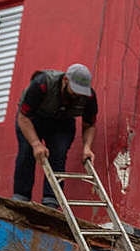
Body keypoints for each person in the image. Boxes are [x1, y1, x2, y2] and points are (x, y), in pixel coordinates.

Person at [13, 64, 97, 207]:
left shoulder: (89, 96)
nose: (78, 95)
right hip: (33, 119)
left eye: (81, 92)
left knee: (59, 154)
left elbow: (89, 125)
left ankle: (51, 201)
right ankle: (21, 198)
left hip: (62, 122)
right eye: (75, 90)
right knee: (27, 152)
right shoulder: (42, 84)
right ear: (65, 80)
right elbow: (23, 117)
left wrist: (87, 147)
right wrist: (36, 144)